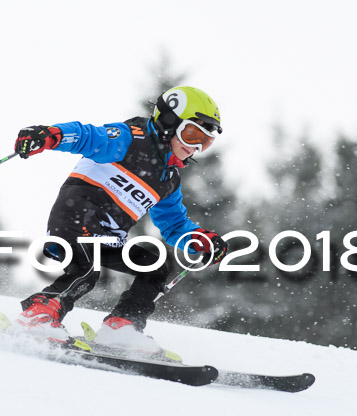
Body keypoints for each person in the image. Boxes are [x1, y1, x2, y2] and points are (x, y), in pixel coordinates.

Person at [12, 85, 228, 353]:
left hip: (108, 238)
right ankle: (38, 314)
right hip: (75, 219)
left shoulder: (168, 179)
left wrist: (201, 241)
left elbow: (173, 225)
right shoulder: (131, 139)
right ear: (168, 122)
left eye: (205, 142)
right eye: (191, 134)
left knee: (155, 267)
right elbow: (87, 136)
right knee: (87, 271)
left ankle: (122, 327)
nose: (195, 146)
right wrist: (50, 135)